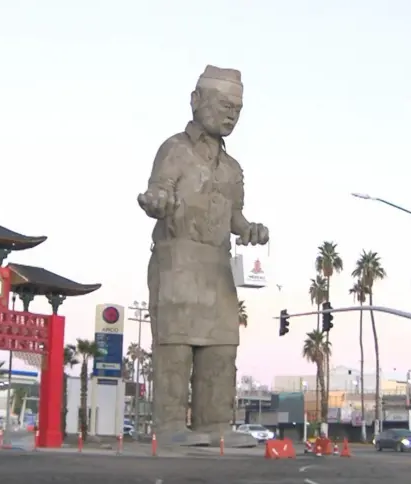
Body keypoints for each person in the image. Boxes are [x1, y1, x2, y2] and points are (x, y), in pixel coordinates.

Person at [138, 65, 269, 448]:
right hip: (177, 258)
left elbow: (235, 216)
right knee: (175, 345)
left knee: (221, 348)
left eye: (238, 109)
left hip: (217, 266)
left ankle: (215, 424)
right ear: (196, 101)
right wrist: (157, 202)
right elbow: (158, 191)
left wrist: (250, 230)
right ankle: (171, 424)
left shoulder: (232, 168)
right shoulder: (174, 149)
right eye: (224, 104)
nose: (231, 114)